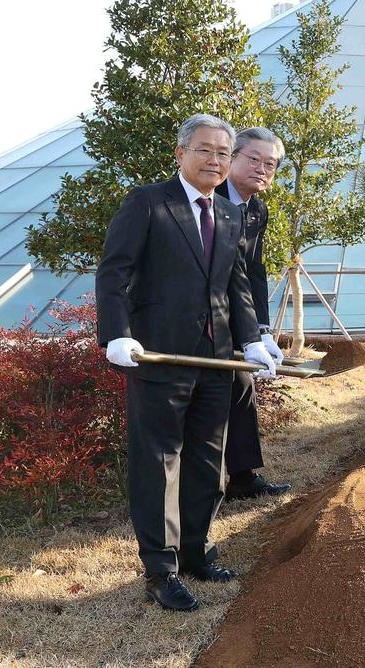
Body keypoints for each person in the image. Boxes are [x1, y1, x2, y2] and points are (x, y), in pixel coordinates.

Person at [96, 114, 280, 612]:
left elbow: (236, 283)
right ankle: (162, 570)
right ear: (180, 153)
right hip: (158, 355)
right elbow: (114, 272)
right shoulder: (149, 203)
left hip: (217, 360)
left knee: (206, 461)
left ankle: (196, 551)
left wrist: (253, 339)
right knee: (159, 462)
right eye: (205, 150)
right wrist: (116, 335)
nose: (215, 160)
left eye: (223, 153)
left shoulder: (228, 213)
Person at [217, 127, 291, 500]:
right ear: (231, 157)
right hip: (204, 314)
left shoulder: (256, 208)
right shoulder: (208, 200)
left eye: (271, 164)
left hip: (238, 312)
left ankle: (243, 478)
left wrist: (261, 330)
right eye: (253, 159)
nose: (262, 169)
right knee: (216, 394)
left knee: (243, 387)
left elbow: (253, 270)